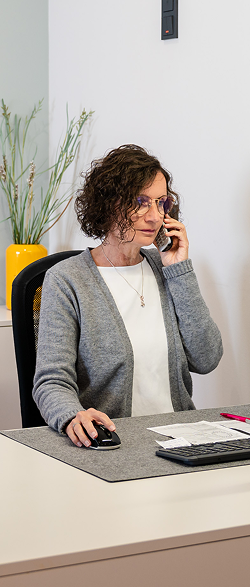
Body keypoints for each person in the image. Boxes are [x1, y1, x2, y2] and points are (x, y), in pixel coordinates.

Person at [33, 144, 223, 448]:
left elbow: (207, 358)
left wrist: (180, 269)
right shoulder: (67, 280)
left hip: (181, 441)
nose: (155, 216)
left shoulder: (168, 270)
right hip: (114, 444)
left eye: (162, 203)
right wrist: (71, 415)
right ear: (108, 205)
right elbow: (51, 381)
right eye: (141, 202)